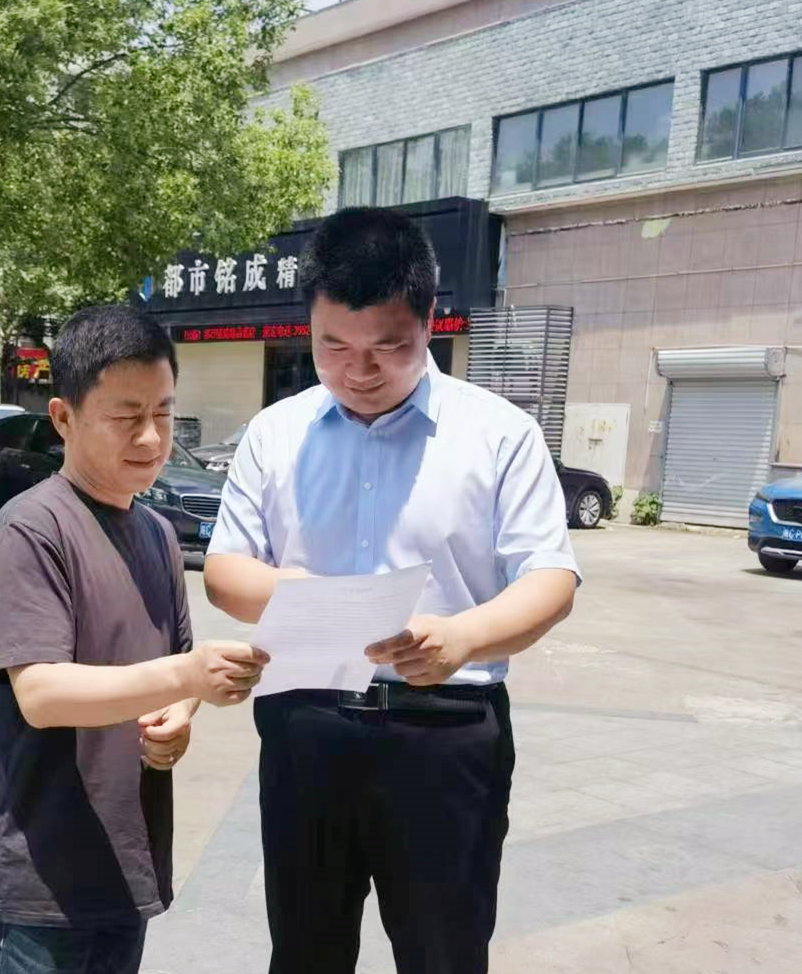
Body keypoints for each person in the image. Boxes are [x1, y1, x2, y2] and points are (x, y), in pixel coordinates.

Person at [204, 207, 580, 974]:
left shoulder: (499, 433)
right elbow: (225, 570)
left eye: (387, 347)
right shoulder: (275, 434)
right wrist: (293, 589)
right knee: (305, 951)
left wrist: (465, 636)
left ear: (429, 319)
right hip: (307, 728)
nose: (358, 371)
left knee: (445, 952)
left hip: (445, 732)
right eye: (333, 346)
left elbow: (550, 576)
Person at [0, 304, 269, 974]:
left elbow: (172, 669)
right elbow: (41, 693)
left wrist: (177, 716)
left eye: (163, 412)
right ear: (64, 418)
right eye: (126, 416)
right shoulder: (33, 529)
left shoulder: (157, 535)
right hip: (39, 889)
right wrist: (187, 678)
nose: (151, 437)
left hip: (123, 869)